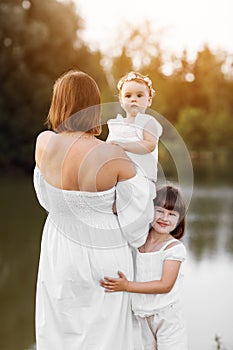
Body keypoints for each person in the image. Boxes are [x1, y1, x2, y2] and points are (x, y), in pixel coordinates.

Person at [33, 70, 155, 350]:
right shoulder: (112, 155)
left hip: (58, 247)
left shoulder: (43, 143)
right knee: (106, 334)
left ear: (59, 103)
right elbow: (138, 222)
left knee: (58, 329)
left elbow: (45, 198)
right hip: (105, 250)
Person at [100, 185, 188, 350]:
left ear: (180, 219)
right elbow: (118, 213)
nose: (165, 218)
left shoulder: (174, 248)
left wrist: (127, 286)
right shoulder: (138, 239)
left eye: (172, 214)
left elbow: (165, 285)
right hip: (140, 315)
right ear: (149, 210)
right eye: (159, 211)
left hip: (166, 317)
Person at [106, 71, 163, 196]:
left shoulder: (147, 122)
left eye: (139, 95)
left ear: (149, 101)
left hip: (140, 179)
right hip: (116, 179)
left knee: (134, 206)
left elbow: (150, 144)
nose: (133, 99)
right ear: (121, 101)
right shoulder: (116, 125)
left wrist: (125, 145)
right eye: (128, 96)